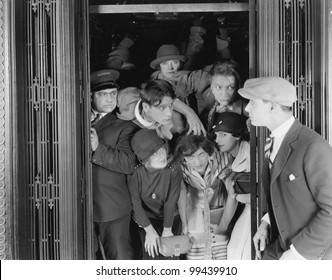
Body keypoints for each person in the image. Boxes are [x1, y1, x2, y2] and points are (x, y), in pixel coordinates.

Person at [238, 76, 332, 260]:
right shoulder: (273, 141)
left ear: (272, 106)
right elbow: (283, 193)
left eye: (252, 102)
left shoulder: (313, 146)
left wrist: (298, 254)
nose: (247, 108)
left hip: (311, 256)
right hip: (280, 246)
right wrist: (266, 222)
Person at [90, 69, 137, 259]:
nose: (109, 99)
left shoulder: (125, 126)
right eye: (102, 94)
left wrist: (97, 148)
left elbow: (128, 163)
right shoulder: (75, 118)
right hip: (81, 206)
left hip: (112, 206)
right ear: (91, 96)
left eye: (113, 94)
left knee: (119, 260)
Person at [174, 134, 237, 260]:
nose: (197, 162)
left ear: (209, 153)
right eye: (190, 157)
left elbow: (232, 194)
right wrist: (185, 224)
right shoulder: (180, 168)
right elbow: (181, 194)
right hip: (194, 217)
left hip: (220, 216)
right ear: (183, 158)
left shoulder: (224, 159)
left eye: (201, 154)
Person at [128, 129, 182, 260]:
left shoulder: (173, 168)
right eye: (155, 153)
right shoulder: (136, 174)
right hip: (147, 219)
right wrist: (149, 231)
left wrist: (167, 230)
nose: (162, 155)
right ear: (145, 159)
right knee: (151, 254)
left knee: (172, 256)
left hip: (171, 218)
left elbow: (171, 201)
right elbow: (136, 205)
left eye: (162, 149)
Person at [211, 111, 251, 260]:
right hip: (250, 209)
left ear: (237, 135)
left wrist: (237, 196)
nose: (217, 139)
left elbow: (266, 194)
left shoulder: (251, 158)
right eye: (216, 135)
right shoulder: (233, 158)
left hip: (259, 212)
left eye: (223, 135)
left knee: (237, 254)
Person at [203, 61, 248, 133]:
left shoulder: (246, 109)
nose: (224, 95)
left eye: (231, 87)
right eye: (218, 87)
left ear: (237, 87)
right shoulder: (204, 94)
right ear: (211, 85)